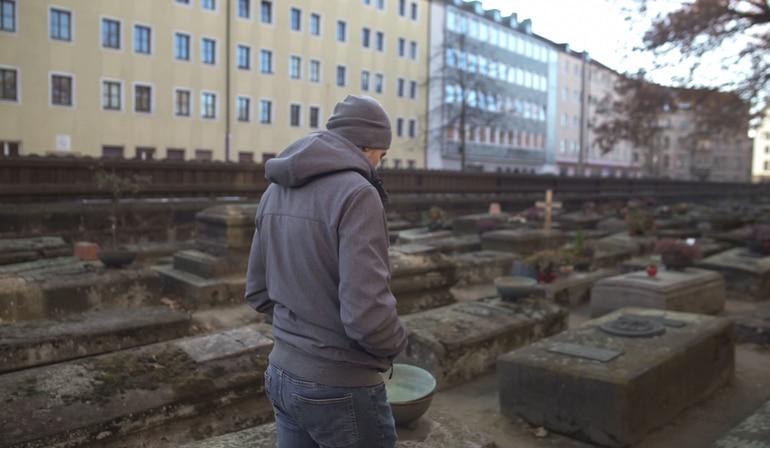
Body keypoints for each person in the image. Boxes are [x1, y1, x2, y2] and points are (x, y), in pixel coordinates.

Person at [245, 94, 409, 448]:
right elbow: (367, 314)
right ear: (371, 147)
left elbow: (257, 292)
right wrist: (397, 341)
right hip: (341, 385)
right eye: (382, 156)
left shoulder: (274, 190)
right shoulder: (358, 194)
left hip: (281, 373)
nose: (380, 165)